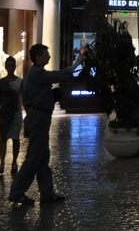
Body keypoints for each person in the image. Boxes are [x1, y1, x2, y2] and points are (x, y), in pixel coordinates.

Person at [7, 44, 83, 206]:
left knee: (41, 157)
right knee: (34, 157)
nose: (49, 57)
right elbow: (57, 75)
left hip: (39, 117)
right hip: (39, 118)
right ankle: (17, 192)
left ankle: (47, 192)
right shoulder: (37, 73)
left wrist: (48, 97)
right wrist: (76, 64)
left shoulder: (34, 74)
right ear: (38, 57)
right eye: (46, 54)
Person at [0, 56, 23, 174]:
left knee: (15, 138)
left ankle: (14, 161)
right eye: (9, 65)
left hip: (16, 112)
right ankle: (2, 162)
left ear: (15, 67)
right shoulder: (1, 82)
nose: (11, 68)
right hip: (5, 112)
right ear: (6, 67)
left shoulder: (20, 81)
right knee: (3, 138)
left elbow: (24, 97)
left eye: (13, 65)